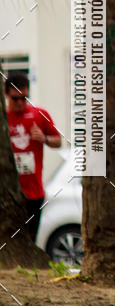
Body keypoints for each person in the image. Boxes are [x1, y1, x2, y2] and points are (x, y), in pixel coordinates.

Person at [5, 72, 62, 242]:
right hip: (8, 192)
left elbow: (58, 141)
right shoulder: (3, 118)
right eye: (16, 99)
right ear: (6, 95)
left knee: (30, 239)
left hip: (33, 191)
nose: (21, 103)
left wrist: (44, 139)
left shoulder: (39, 114)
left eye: (25, 98)